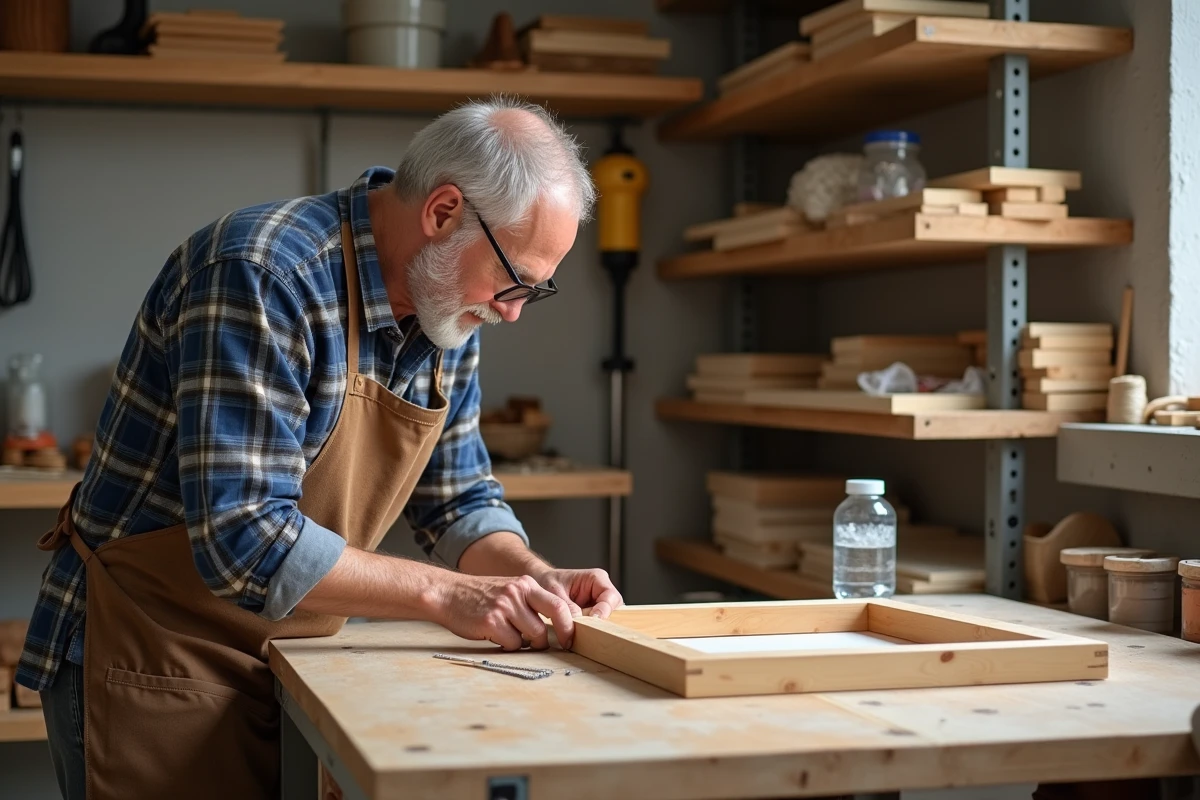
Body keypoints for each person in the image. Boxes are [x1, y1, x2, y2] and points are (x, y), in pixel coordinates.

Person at [15, 95, 621, 800]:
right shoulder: (263, 273)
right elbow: (245, 540)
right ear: (444, 212)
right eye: (514, 280)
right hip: (154, 651)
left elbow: (457, 499)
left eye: (534, 291)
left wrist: (530, 579)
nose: (512, 311)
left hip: (293, 657)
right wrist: (453, 596)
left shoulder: (447, 311)